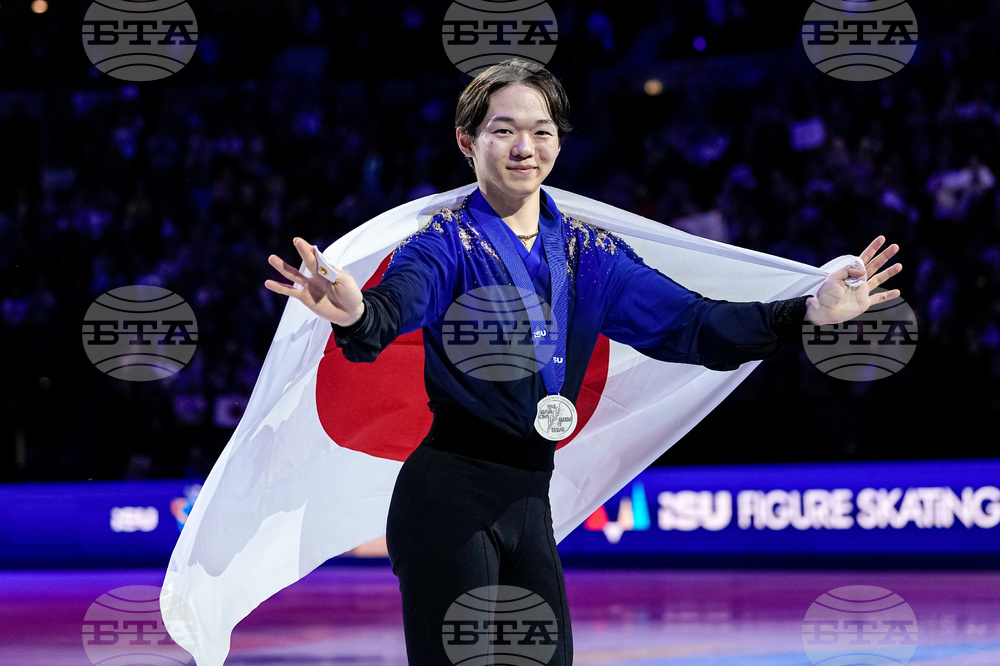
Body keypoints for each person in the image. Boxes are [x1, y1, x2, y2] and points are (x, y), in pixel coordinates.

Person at [264, 59, 901, 665]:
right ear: (467, 141)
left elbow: (694, 326)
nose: (524, 147)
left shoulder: (591, 255)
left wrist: (807, 311)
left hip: (527, 505)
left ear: (559, 145)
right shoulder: (445, 244)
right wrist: (356, 313)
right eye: (503, 130)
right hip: (444, 502)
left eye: (541, 131)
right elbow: (396, 305)